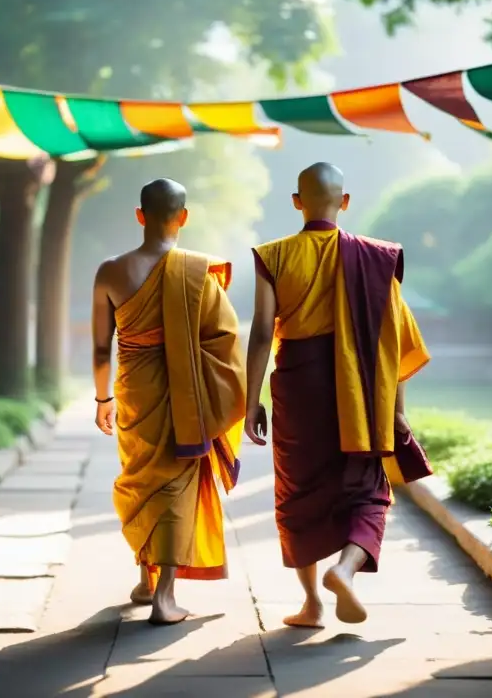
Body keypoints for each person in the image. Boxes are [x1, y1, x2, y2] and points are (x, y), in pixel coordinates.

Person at [244, 162, 432, 629]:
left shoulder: (273, 256)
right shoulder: (375, 258)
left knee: (298, 492)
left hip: (296, 388)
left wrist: (250, 403)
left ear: (297, 202)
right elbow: (392, 338)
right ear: (344, 202)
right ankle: (345, 568)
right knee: (367, 489)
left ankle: (311, 604)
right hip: (359, 390)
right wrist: (397, 410)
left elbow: (262, 332)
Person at [91, 178, 246, 626]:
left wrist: (103, 398)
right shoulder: (199, 274)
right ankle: (164, 594)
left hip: (134, 389)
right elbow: (225, 341)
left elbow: (103, 347)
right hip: (185, 397)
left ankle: (144, 577)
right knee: (175, 484)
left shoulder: (109, 272)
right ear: (183, 217)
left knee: (139, 479)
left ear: (140, 216)